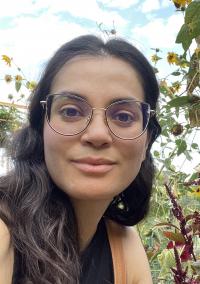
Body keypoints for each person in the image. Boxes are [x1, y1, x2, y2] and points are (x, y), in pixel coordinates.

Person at [0, 34, 161, 284]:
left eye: (124, 117)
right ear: (41, 129)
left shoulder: (123, 245)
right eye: (71, 111)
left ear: (146, 143)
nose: (97, 135)